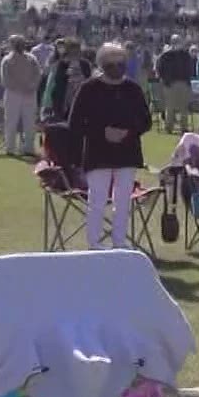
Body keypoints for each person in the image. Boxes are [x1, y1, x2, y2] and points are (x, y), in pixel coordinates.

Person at [67, 42, 152, 250]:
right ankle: (95, 243)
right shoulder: (89, 88)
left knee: (123, 201)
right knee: (97, 199)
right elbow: (75, 123)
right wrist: (101, 132)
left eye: (120, 63)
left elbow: (145, 120)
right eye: (111, 63)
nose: (116, 67)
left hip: (127, 152)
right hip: (98, 153)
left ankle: (120, 243)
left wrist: (128, 132)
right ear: (102, 65)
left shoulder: (133, 89)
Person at [156, 35, 195, 134]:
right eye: (175, 41)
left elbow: (190, 69)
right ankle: (169, 127)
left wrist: (187, 79)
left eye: (178, 41)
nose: (177, 43)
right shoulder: (165, 55)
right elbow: (159, 69)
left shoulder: (185, 55)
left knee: (184, 107)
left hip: (184, 83)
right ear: (171, 42)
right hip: (170, 84)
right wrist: (165, 80)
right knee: (170, 107)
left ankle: (184, 128)